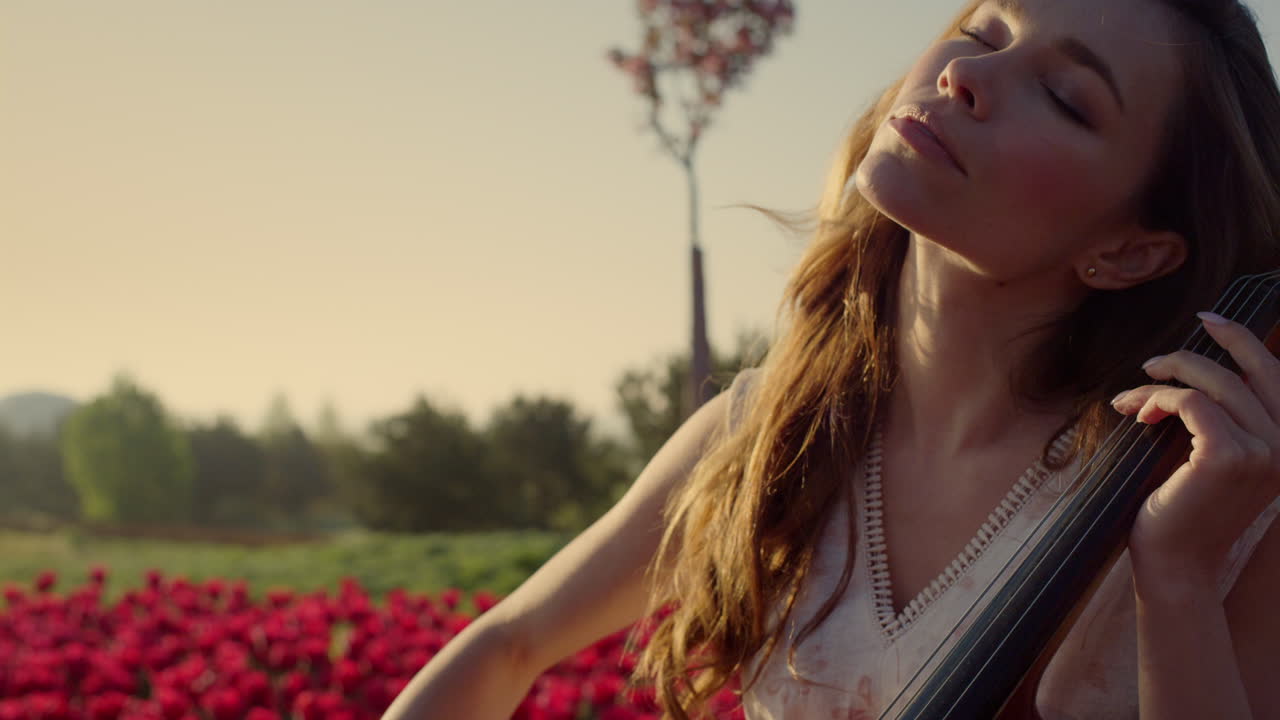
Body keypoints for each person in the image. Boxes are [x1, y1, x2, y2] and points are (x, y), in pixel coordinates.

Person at [381, 0, 1280, 717]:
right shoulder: (767, 433)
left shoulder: (1221, 511)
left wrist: (1178, 580)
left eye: (1065, 97)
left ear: (1128, 250)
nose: (966, 75)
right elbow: (506, 647)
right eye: (982, 33)